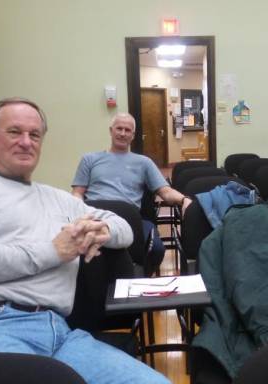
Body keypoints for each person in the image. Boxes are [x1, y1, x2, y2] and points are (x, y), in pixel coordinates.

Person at [0, 97, 181, 384]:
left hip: (56, 331)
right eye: (14, 131)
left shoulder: (58, 199)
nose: (26, 142)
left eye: (35, 134)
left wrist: (98, 230)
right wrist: (54, 251)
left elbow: (123, 228)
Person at [71, 113, 191, 272]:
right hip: (95, 216)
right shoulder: (89, 159)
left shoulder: (144, 163)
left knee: (156, 249)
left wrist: (185, 200)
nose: (122, 133)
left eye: (127, 130)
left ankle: (140, 282)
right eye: (119, 128)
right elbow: (77, 193)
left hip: (129, 219)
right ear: (111, 131)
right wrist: (76, 213)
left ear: (133, 135)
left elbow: (165, 191)